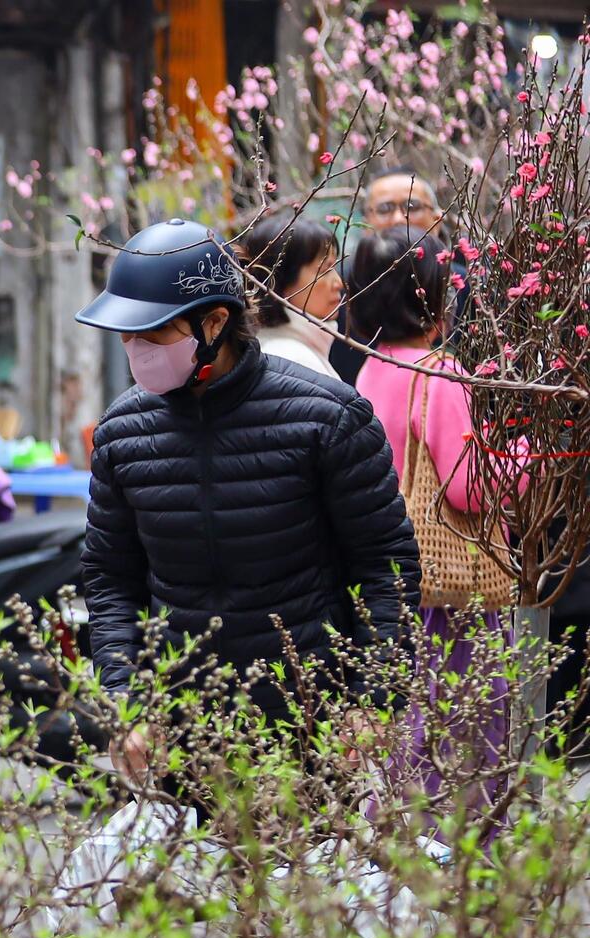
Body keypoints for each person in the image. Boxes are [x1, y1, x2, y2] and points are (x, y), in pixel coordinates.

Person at [74, 218, 420, 780]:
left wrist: (374, 699)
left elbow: (386, 566)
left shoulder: (327, 417)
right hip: (179, 733)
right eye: (126, 337)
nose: (134, 350)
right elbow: (111, 577)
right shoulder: (123, 432)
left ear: (214, 322)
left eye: (151, 334)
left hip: (311, 726)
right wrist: (125, 699)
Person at [351, 227, 512, 804]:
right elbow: (470, 487)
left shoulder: (369, 371)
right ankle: (457, 880)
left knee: (409, 740)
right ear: (432, 296)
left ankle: (397, 873)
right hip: (449, 592)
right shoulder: (438, 373)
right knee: (465, 743)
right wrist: (524, 462)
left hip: (392, 585)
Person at [334, 166, 455, 384]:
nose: (399, 219)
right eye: (385, 209)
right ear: (365, 224)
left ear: (437, 220)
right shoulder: (340, 288)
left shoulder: (468, 285)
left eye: (412, 206)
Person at [238, 214, 343, 381]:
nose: (339, 283)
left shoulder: (276, 351)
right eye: (324, 270)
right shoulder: (296, 361)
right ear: (280, 280)